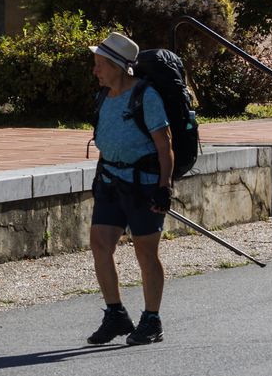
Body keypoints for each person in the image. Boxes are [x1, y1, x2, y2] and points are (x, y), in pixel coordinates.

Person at [85, 31, 174, 347]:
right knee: (100, 244)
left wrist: (164, 188)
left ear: (117, 66)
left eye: (99, 65)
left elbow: (165, 146)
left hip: (143, 187)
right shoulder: (103, 96)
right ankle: (115, 314)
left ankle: (152, 319)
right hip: (110, 183)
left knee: (145, 252)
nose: (95, 71)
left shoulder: (146, 97)